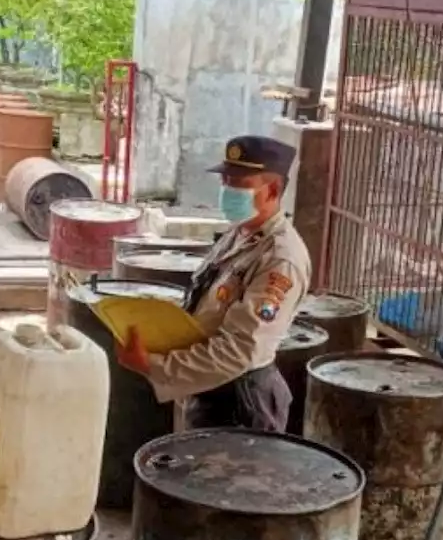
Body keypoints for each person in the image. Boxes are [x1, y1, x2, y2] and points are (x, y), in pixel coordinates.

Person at [116, 135, 311, 432]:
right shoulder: (239, 234)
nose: (227, 191)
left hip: (241, 401)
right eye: (225, 180)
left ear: (271, 190)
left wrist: (154, 366)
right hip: (209, 386)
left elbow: (240, 349)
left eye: (238, 184)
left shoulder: (280, 259)